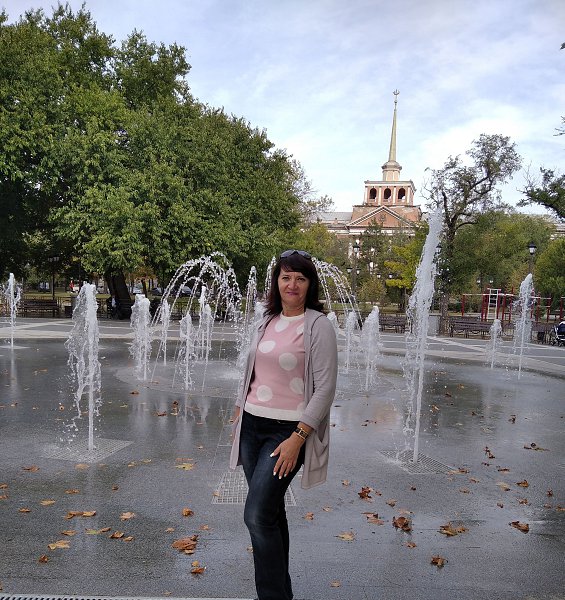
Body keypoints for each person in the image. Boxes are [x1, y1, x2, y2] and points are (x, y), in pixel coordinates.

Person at [230, 250, 338, 600]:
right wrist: (240, 405)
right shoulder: (267, 319)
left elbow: (325, 389)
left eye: (300, 278)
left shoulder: (318, 325)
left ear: (310, 285)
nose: (292, 284)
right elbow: (254, 367)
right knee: (271, 513)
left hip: (287, 432)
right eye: (286, 277)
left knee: (257, 516)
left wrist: (298, 437)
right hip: (252, 426)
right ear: (277, 282)